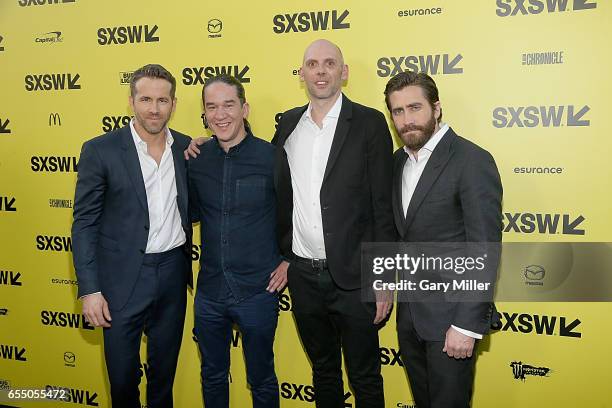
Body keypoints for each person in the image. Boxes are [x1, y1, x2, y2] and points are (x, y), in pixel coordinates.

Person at [272, 39, 395, 407]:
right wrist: (201, 145)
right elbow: (268, 181)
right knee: (323, 371)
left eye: (329, 64)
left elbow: (382, 208)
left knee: (365, 376)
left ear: (344, 72)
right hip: (304, 277)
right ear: (302, 74)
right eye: (312, 64)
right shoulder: (289, 124)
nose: (320, 71)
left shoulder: (370, 123)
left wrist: (385, 277)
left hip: (355, 278)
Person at [72, 64, 192, 408]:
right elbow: (84, 224)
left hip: (171, 274)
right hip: (120, 280)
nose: (154, 108)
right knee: (123, 379)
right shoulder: (101, 150)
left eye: (162, 100)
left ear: (173, 103)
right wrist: (90, 289)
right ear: (131, 101)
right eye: (146, 99)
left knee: (163, 376)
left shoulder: (185, 149)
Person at [384, 71, 502, 408]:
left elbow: (484, 249)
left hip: (452, 320)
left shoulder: (471, 160)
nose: (407, 120)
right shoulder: (397, 163)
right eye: (397, 111)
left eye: (415, 107)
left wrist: (466, 324)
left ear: (436, 109)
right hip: (409, 319)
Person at [188, 75, 287, 408]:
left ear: (244, 108)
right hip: (210, 292)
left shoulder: (272, 157)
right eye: (212, 107)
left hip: (258, 291)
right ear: (204, 114)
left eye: (228, 104)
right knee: (212, 376)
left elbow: (296, 215)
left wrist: (289, 260)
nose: (220, 114)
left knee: (261, 379)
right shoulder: (197, 158)